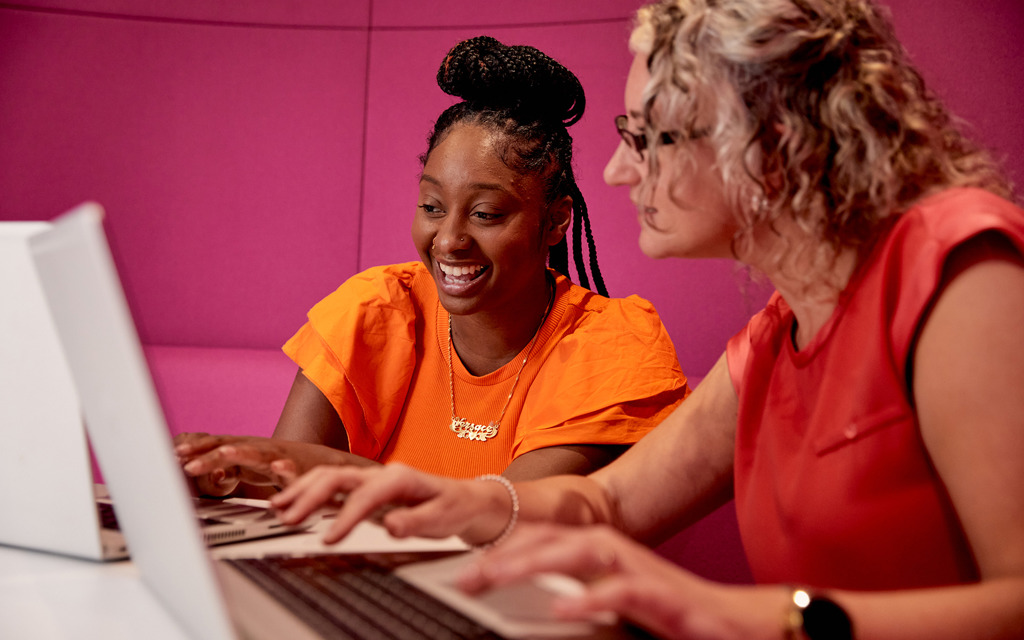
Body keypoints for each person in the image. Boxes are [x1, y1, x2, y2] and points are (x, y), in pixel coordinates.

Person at [270, 1, 1024, 638]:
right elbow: (610, 501)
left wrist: (753, 616)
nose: (618, 171)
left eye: (651, 138)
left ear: (770, 139)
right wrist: (456, 500)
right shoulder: (780, 328)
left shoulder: (958, 266)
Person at [175, 36, 689, 497]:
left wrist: (324, 471)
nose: (449, 240)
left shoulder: (612, 347)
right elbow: (281, 491)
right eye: (432, 207)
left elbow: (507, 521)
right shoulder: (377, 310)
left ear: (556, 221)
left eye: (486, 214)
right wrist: (224, 476)